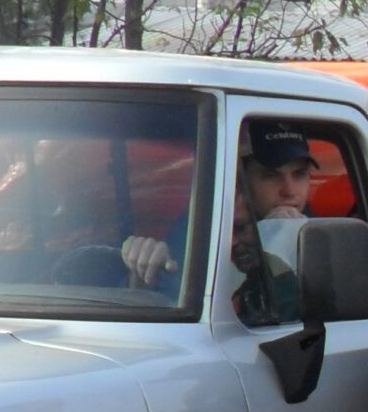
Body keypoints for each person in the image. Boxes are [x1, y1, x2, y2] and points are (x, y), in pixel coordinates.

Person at [121, 122, 318, 305]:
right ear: (242, 179)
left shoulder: (323, 234)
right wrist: (142, 274)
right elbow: (182, 303)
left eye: (299, 174)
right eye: (271, 176)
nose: (289, 190)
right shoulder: (200, 225)